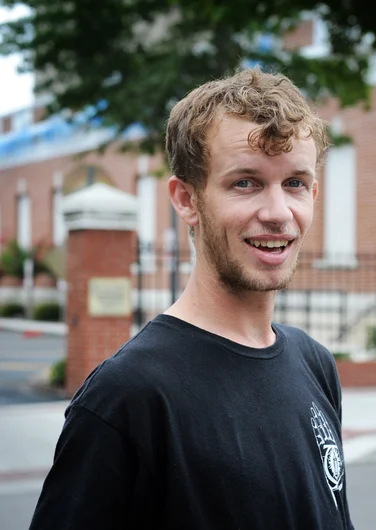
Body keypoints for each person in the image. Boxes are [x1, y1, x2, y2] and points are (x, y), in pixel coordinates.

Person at [29, 68, 354, 530]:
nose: (278, 213)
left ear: (314, 194)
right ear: (186, 199)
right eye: (246, 182)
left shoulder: (315, 365)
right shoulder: (128, 395)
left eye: (295, 183)